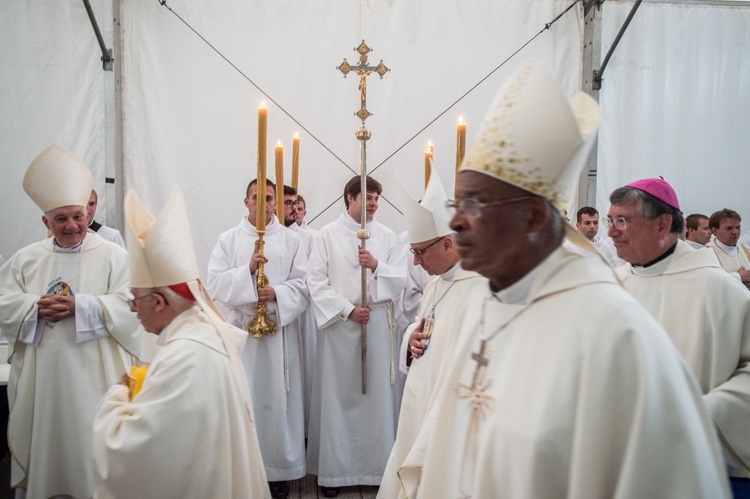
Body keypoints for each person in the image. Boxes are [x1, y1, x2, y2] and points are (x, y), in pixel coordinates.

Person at [396, 60, 729, 499]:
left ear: (534, 216)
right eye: (458, 202)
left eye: (475, 203)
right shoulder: (488, 302)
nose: (455, 221)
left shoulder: (614, 336)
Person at [92, 186, 270, 498]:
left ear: (159, 301)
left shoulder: (185, 356)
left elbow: (134, 452)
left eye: (135, 301)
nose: (133, 310)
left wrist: (119, 396)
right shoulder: (203, 332)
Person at [0, 144, 141, 498]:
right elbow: (3, 301)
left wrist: (83, 306)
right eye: (60, 219)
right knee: (49, 446)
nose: (71, 226)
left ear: (88, 213)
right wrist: (34, 307)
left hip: (98, 378)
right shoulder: (25, 259)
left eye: (77, 216)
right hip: (44, 381)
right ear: (45, 222)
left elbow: (133, 304)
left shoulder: (114, 256)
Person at [608, 178, 750, 495]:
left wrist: (703, 413)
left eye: (622, 221)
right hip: (622, 458)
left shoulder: (719, 290)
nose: (611, 232)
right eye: (610, 220)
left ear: (662, 225)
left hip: (696, 462)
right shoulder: (613, 285)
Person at [378, 171, 484, 499]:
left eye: (420, 252)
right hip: (421, 403)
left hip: (452, 413)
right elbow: (425, 326)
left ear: (448, 243)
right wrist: (411, 339)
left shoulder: (482, 288)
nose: (415, 261)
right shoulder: (435, 285)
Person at [207, 179, 309, 497]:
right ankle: (243, 467)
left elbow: (305, 284)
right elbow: (214, 284)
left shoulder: (292, 241)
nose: (262, 203)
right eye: (256, 197)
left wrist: (276, 292)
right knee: (244, 398)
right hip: (242, 334)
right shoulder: (228, 239)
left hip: (279, 337)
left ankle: (276, 470)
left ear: (275, 204)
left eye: (268, 198)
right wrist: (248, 272)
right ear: (245, 201)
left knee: (278, 401)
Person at [306, 175, 407, 497]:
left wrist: (376, 265)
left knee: (376, 398)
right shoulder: (326, 235)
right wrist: (347, 310)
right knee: (338, 399)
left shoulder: (388, 236)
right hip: (340, 326)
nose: (374, 204)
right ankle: (335, 475)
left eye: (377, 198)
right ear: (349, 198)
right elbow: (315, 281)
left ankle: (377, 470)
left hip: (376, 322)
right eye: (368, 197)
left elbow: (400, 277)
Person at [707, 208, 750, 288]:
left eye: (738, 227)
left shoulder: (747, 251)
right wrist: (739, 277)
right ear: (715, 230)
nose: (735, 232)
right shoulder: (706, 253)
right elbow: (706, 283)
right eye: (729, 228)